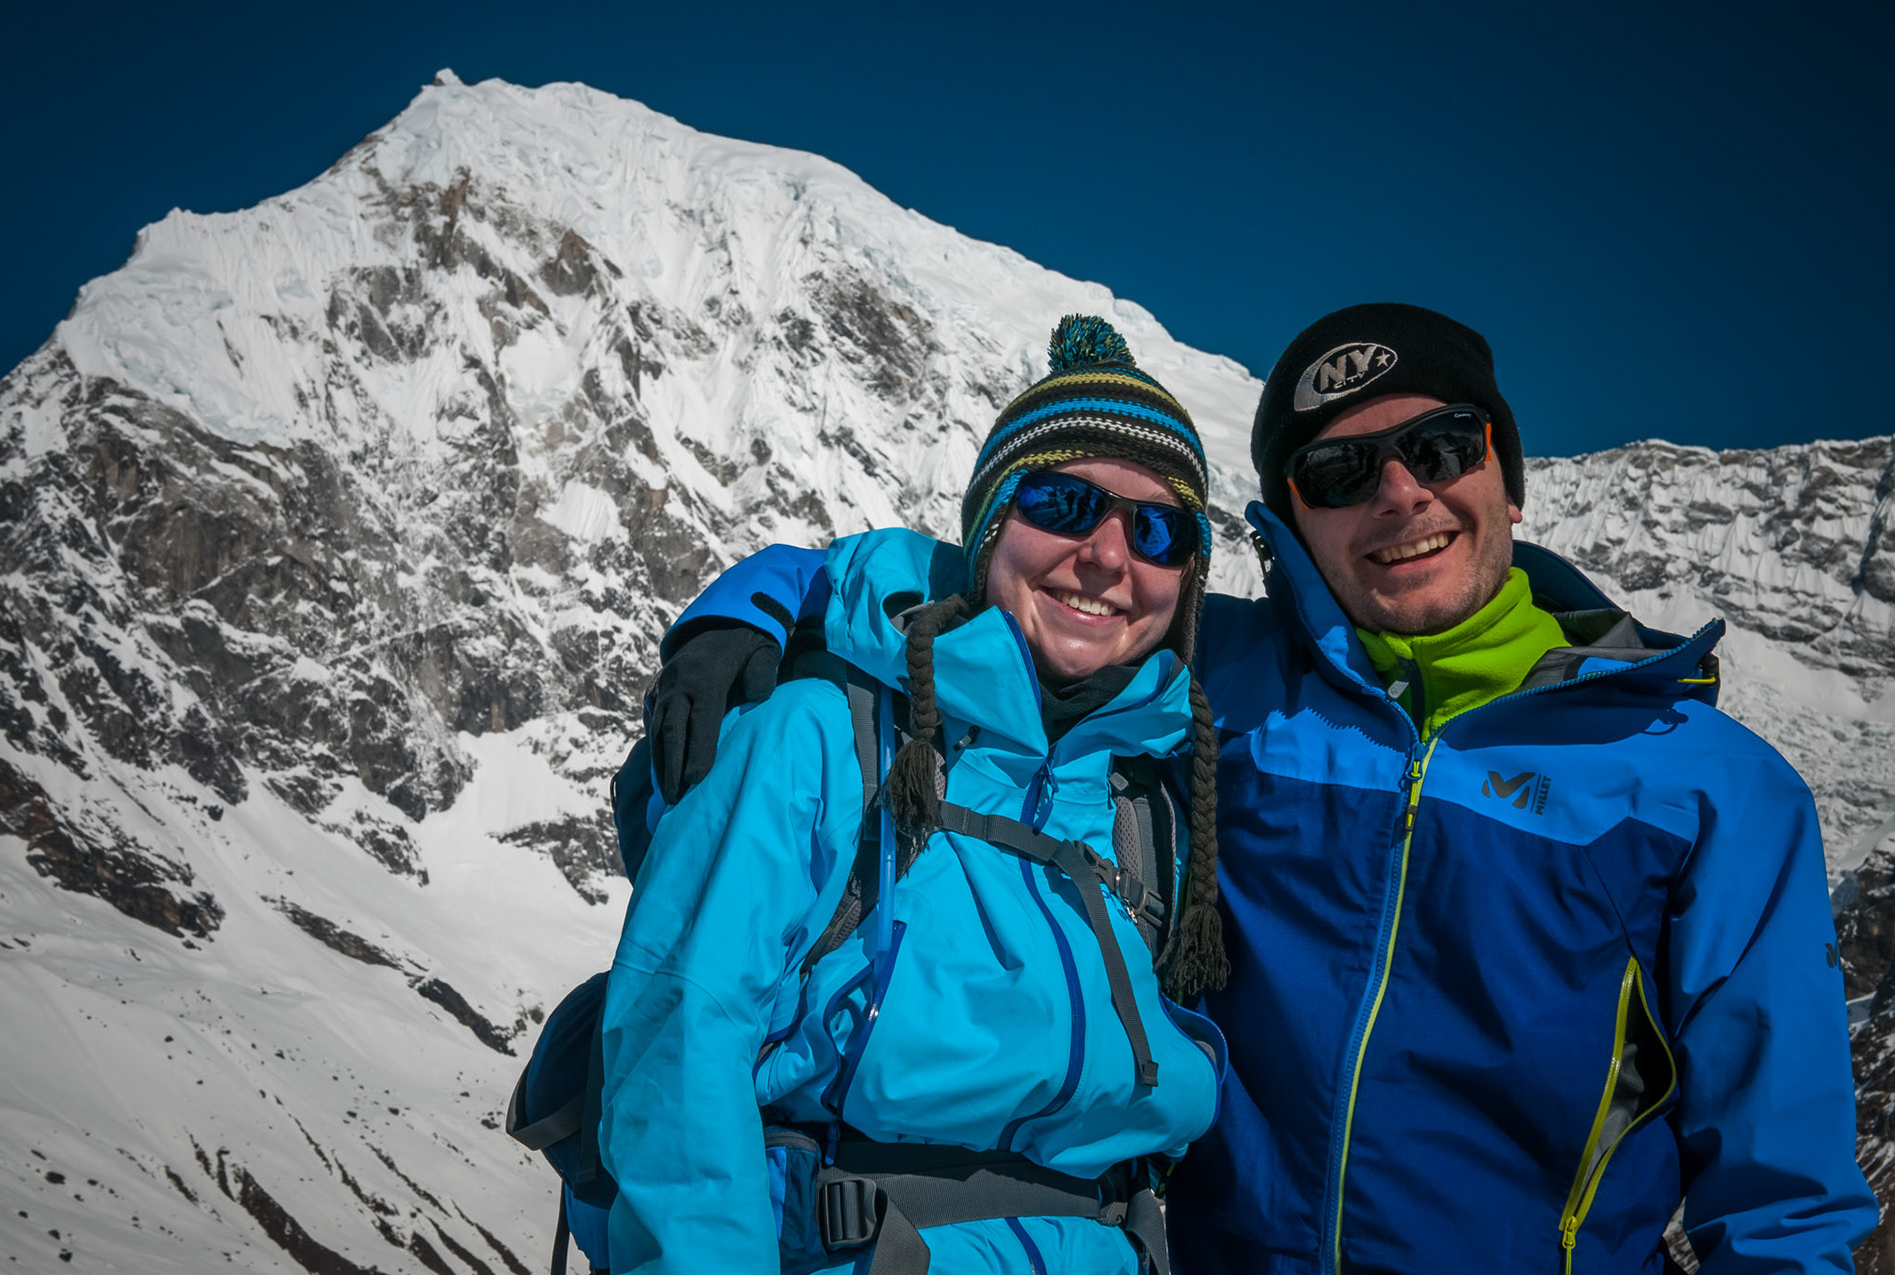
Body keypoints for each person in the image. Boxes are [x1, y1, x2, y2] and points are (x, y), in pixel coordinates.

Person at [646, 303, 1878, 1273]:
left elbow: (1784, 1194)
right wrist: (759, 592)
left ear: (1507, 467)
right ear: (1292, 518)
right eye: (1340, 474)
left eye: (1442, 448)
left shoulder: (1707, 786)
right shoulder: (1205, 683)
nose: (1400, 495)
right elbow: (984, 584)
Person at [596, 316, 1230, 1275]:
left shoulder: (1154, 802)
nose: (1107, 556)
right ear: (986, 534)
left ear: (1187, 579)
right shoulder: (818, 734)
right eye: (1060, 502)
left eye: (1156, 529)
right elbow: (680, 1043)